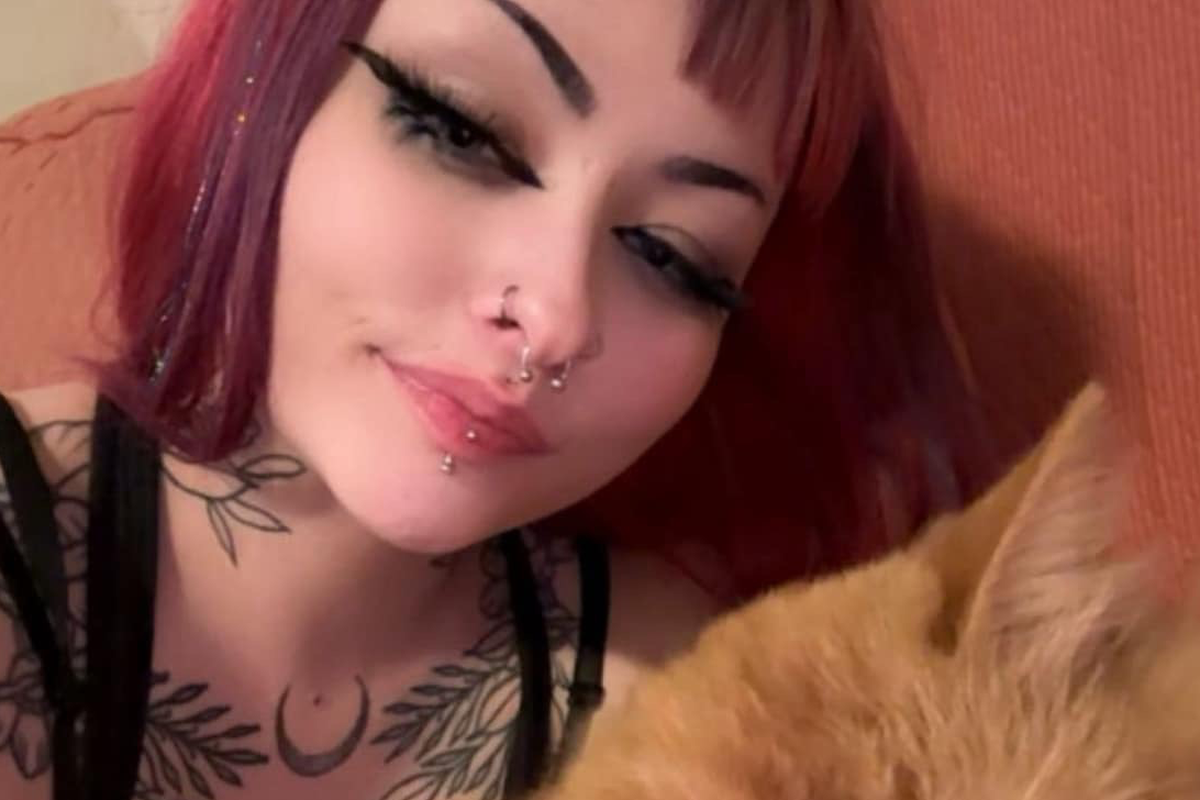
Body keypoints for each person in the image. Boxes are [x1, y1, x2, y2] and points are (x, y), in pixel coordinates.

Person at [0, 0, 998, 798]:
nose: (558, 315)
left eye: (672, 257)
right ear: (264, 88)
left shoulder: (679, 684)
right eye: (460, 127)